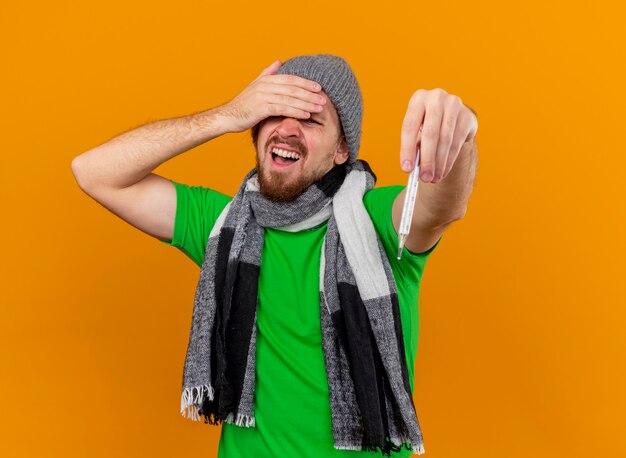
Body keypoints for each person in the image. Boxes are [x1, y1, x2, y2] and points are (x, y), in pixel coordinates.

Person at [71, 54, 478, 457]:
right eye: (275, 112)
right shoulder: (224, 226)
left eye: (311, 120)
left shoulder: (377, 224)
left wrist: (459, 138)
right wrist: (226, 115)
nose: (287, 129)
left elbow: (442, 206)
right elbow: (94, 172)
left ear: (341, 151)